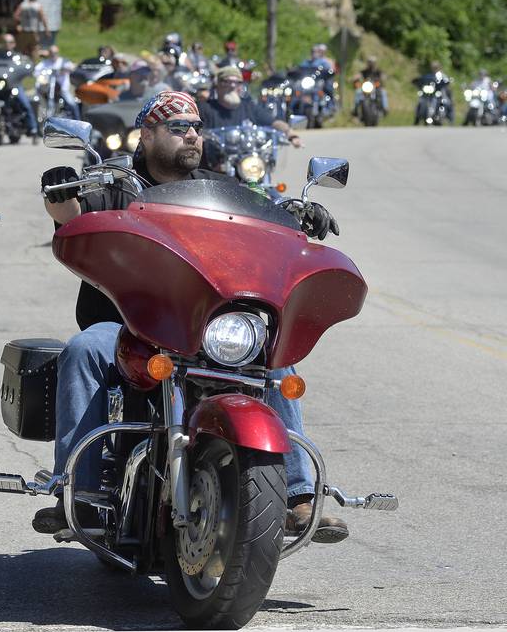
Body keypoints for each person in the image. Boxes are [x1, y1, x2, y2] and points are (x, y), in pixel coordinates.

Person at [33, 90, 346, 543]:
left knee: (274, 357)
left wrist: (300, 220)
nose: (193, 136)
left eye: (197, 127)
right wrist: (60, 191)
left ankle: (296, 495)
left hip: (203, 325)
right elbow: (72, 214)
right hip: (126, 325)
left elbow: (266, 225)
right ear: (148, 133)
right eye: (179, 128)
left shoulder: (219, 189)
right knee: (83, 350)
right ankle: (76, 494)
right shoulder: (117, 182)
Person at [199, 66, 302, 147]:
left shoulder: (249, 107)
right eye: (227, 81)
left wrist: (290, 133)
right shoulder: (205, 109)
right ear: (218, 85)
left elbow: (274, 122)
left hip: (246, 161)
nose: (232, 86)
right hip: (214, 166)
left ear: (241, 86)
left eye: (237, 82)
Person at [34, 45, 79, 120]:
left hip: (62, 89)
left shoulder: (63, 61)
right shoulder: (45, 63)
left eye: (55, 53)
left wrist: (67, 69)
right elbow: (36, 71)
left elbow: (72, 67)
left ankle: (78, 121)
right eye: (51, 53)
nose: (53, 54)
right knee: (40, 102)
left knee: (72, 104)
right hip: (49, 89)